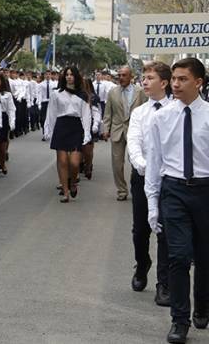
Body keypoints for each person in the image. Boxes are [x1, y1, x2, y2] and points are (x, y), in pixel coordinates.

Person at [145, 57, 209, 343]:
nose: (176, 84)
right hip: (174, 191)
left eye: (183, 79)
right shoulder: (161, 117)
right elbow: (154, 161)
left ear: (199, 82)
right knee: (179, 257)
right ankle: (179, 321)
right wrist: (152, 204)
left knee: (205, 258)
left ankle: (203, 306)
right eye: (174, 78)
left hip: (206, 191)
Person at [127, 61, 171, 307]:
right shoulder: (140, 112)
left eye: (150, 77)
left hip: (169, 179)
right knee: (141, 229)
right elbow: (134, 142)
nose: (144, 81)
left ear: (163, 82)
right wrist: (144, 165)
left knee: (165, 230)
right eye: (143, 77)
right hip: (142, 176)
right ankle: (142, 264)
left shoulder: (176, 110)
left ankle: (163, 283)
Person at [44, 67, 91, 203]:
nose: (69, 77)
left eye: (71, 75)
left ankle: (73, 183)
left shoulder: (82, 94)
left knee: (75, 163)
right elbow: (51, 113)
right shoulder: (57, 93)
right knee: (63, 161)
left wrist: (87, 132)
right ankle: (65, 192)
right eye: (67, 75)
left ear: (76, 77)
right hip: (61, 127)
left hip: (76, 127)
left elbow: (86, 115)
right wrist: (49, 131)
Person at [102, 66, 147, 201]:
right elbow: (108, 113)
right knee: (117, 163)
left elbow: (146, 111)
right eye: (119, 75)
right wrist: (106, 129)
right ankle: (121, 190)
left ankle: (136, 187)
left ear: (131, 76)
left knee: (136, 161)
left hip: (136, 131)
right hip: (118, 131)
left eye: (124, 75)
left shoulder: (141, 92)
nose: (121, 78)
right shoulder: (113, 92)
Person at [0, 73, 15, 175]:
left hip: (4, 118)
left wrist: (12, 121)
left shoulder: (7, 94)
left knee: (2, 147)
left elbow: (11, 109)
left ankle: (2, 163)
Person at [39, 70, 57, 137]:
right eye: (46, 74)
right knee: (43, 118)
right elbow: (39, 94)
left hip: (52, 102)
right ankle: (44, 133)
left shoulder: (54, 84)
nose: (48, 76)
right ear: (44, 75)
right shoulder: (41, 84)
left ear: (51, 75)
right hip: (44, 102)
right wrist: (39, 103)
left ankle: (51, 132)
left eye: (49, 74)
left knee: (52, 117)